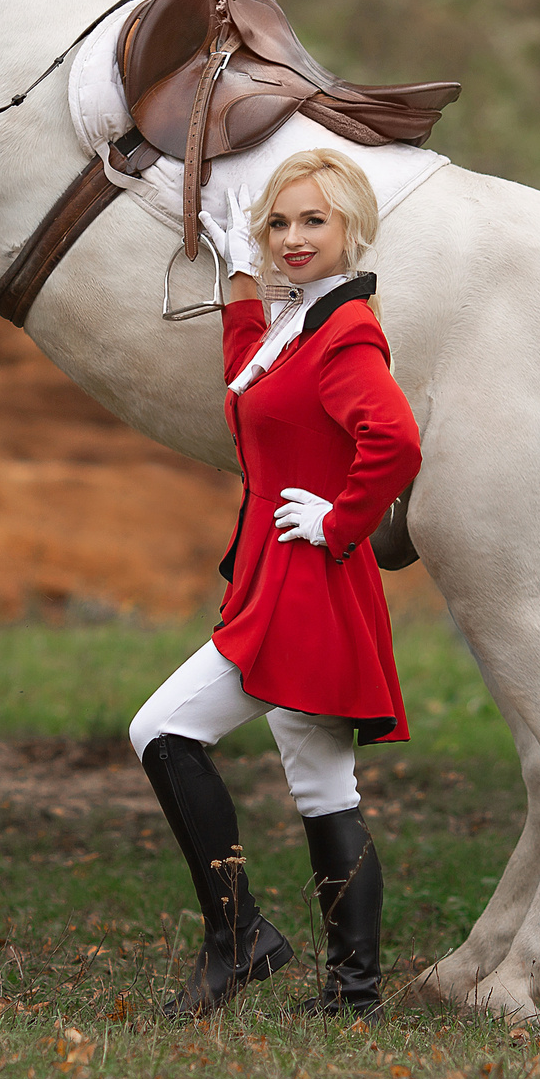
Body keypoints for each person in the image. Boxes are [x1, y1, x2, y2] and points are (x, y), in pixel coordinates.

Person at [128, 147, 423, 1021]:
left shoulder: (346, 332)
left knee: (163, 729)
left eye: (314, 221)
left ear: (352, 231)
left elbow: (396, 441)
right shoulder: (302, 324)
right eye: (281, 222)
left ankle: (239, 936)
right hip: (288, 572)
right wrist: (243, 287)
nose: (294, 237)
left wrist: (338, 521)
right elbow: (251, 382)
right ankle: (353, 992)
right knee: (325, 789)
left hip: (305, 579)